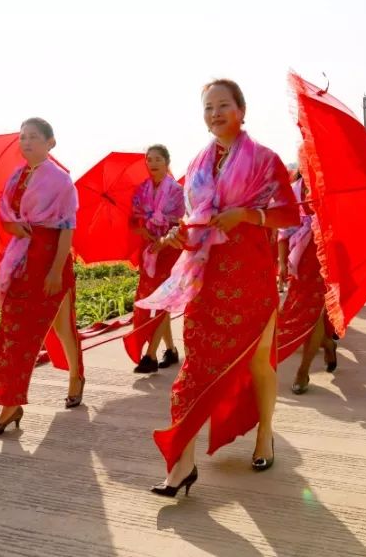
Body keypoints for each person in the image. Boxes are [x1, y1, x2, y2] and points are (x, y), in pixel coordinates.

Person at [138, 80, 299, 497]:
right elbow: (194, 219)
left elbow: (287, 215)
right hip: (205, 278)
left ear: (242, 110)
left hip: (250, 276)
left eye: (223, 105)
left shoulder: (265, 160)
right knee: (194, 369)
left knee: (261, 361)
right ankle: (181, 464)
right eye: (208, 107)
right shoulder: (195, 165)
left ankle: (265, 435)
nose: (215, 113)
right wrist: (179, 234)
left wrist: (247, 215)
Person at [0, 118, 85, 435]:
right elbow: (8, 218)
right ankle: (11, 404)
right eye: (22, 137)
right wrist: (12, 226)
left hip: (50, 261)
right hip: (21, 259)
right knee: (14, 333)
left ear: (51, 142)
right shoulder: (16, 177)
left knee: (61, 329)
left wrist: (55, 271)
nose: (26, 142)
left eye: (34, 137)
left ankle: (75, 376)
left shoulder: (61, 180)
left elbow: (67, 228)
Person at [123, 144, 185, 374]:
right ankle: (170, 349)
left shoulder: (177, 191)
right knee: (150, 299)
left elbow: (181, 222)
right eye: (149, 160)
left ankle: (150, 355)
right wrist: (143, 232)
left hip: (168, 249)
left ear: (167, 162)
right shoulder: (141, 190)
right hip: (149, 250)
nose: (153, 163)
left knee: (164, 300)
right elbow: (133, 221)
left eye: (158, 159)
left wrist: (164, 239)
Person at [276, 169, 337, 395]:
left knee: (314, 317)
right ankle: (328, 344)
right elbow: (284, 231)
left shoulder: (332, 190)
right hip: (300, 265)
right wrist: (282, 263)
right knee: (296, 314)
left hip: (326, 263)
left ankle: (303, 371)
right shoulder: (294, 191)